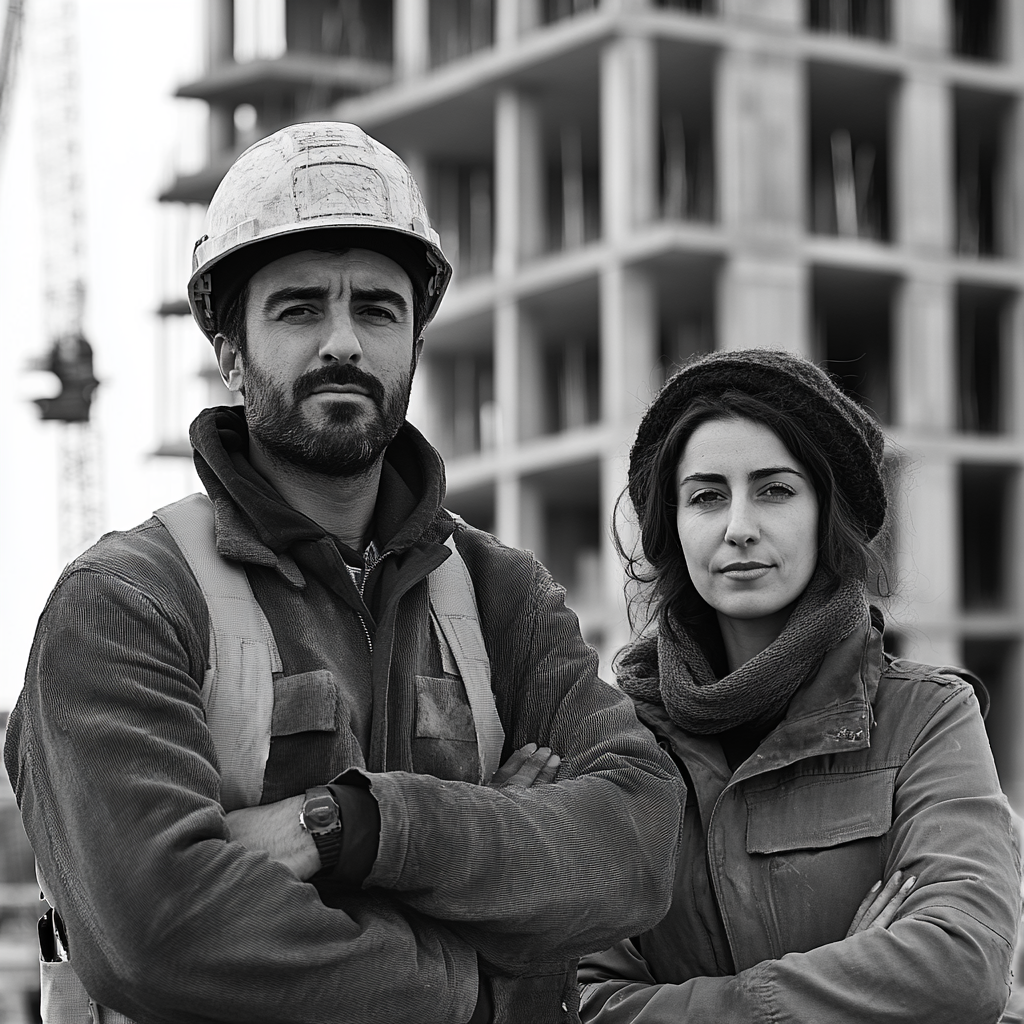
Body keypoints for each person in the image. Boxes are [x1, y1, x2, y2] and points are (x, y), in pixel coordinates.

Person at [4, 122, 683, 1024]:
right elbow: (159, 932)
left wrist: (349, 828)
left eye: (376, 308)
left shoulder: (501, 596)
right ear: (231, 352)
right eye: (298, 309)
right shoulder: (127, 603)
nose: (344, 343)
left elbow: (636, 846)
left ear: (413, 344)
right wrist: (481, 976)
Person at [578, 348, 1023, 1024]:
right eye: (706, 496)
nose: (739, 528)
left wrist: (708, 1005)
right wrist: (860, 982)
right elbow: (584, 1000)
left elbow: (963, 965)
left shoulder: (928, 716)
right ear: (673, 526)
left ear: (826, 513)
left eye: (775, 490)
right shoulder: (615, 739)